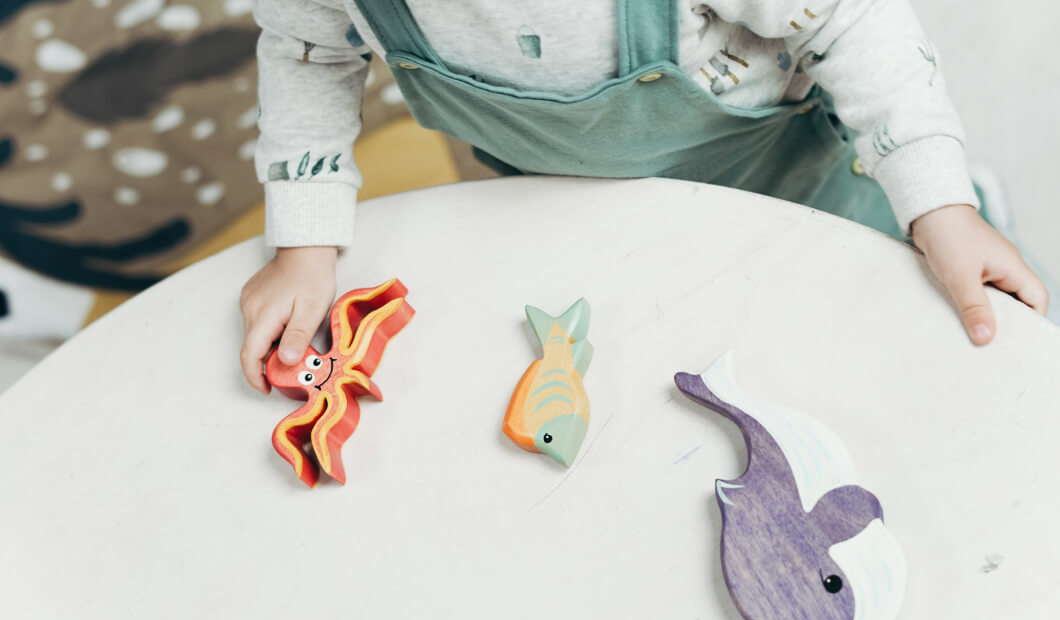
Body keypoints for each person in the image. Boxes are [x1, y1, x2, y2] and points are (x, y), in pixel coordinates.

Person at [239, 0, 1050, 393]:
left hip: (795, 183)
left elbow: (848, 21)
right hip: (568, 201)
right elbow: (309, 50)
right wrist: (304, 243)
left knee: (873, 335)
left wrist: (939, 204)